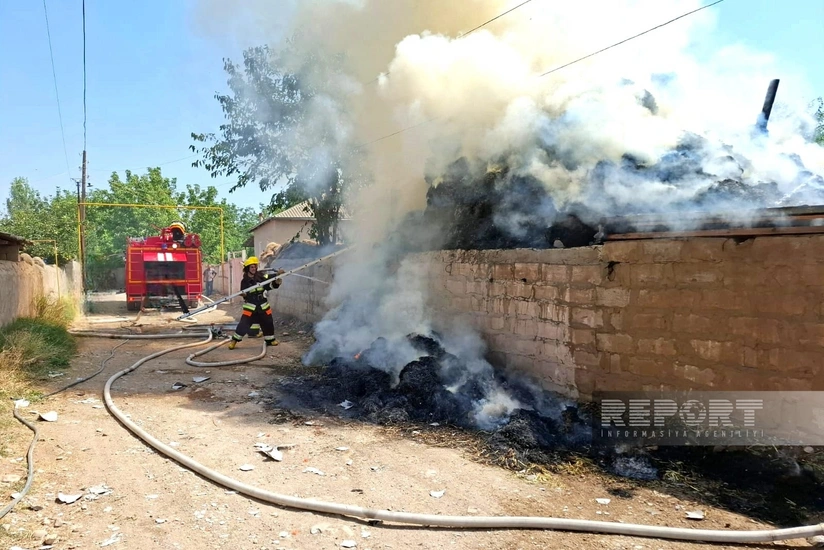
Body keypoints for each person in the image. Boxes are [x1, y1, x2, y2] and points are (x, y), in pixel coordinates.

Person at [228, 256, 285, 349]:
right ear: (247, 268)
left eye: (255, 267)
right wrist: (243, 294)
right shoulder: (244, 281)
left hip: (263, 305)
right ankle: (234, 340)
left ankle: (270, 340)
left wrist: (277, 279)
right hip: (251, 306)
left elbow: (269, 285)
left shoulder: (261, 277)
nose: (254, 268)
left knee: (268, 322)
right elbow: (245, 294)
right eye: (252, 267)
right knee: (243, 324)